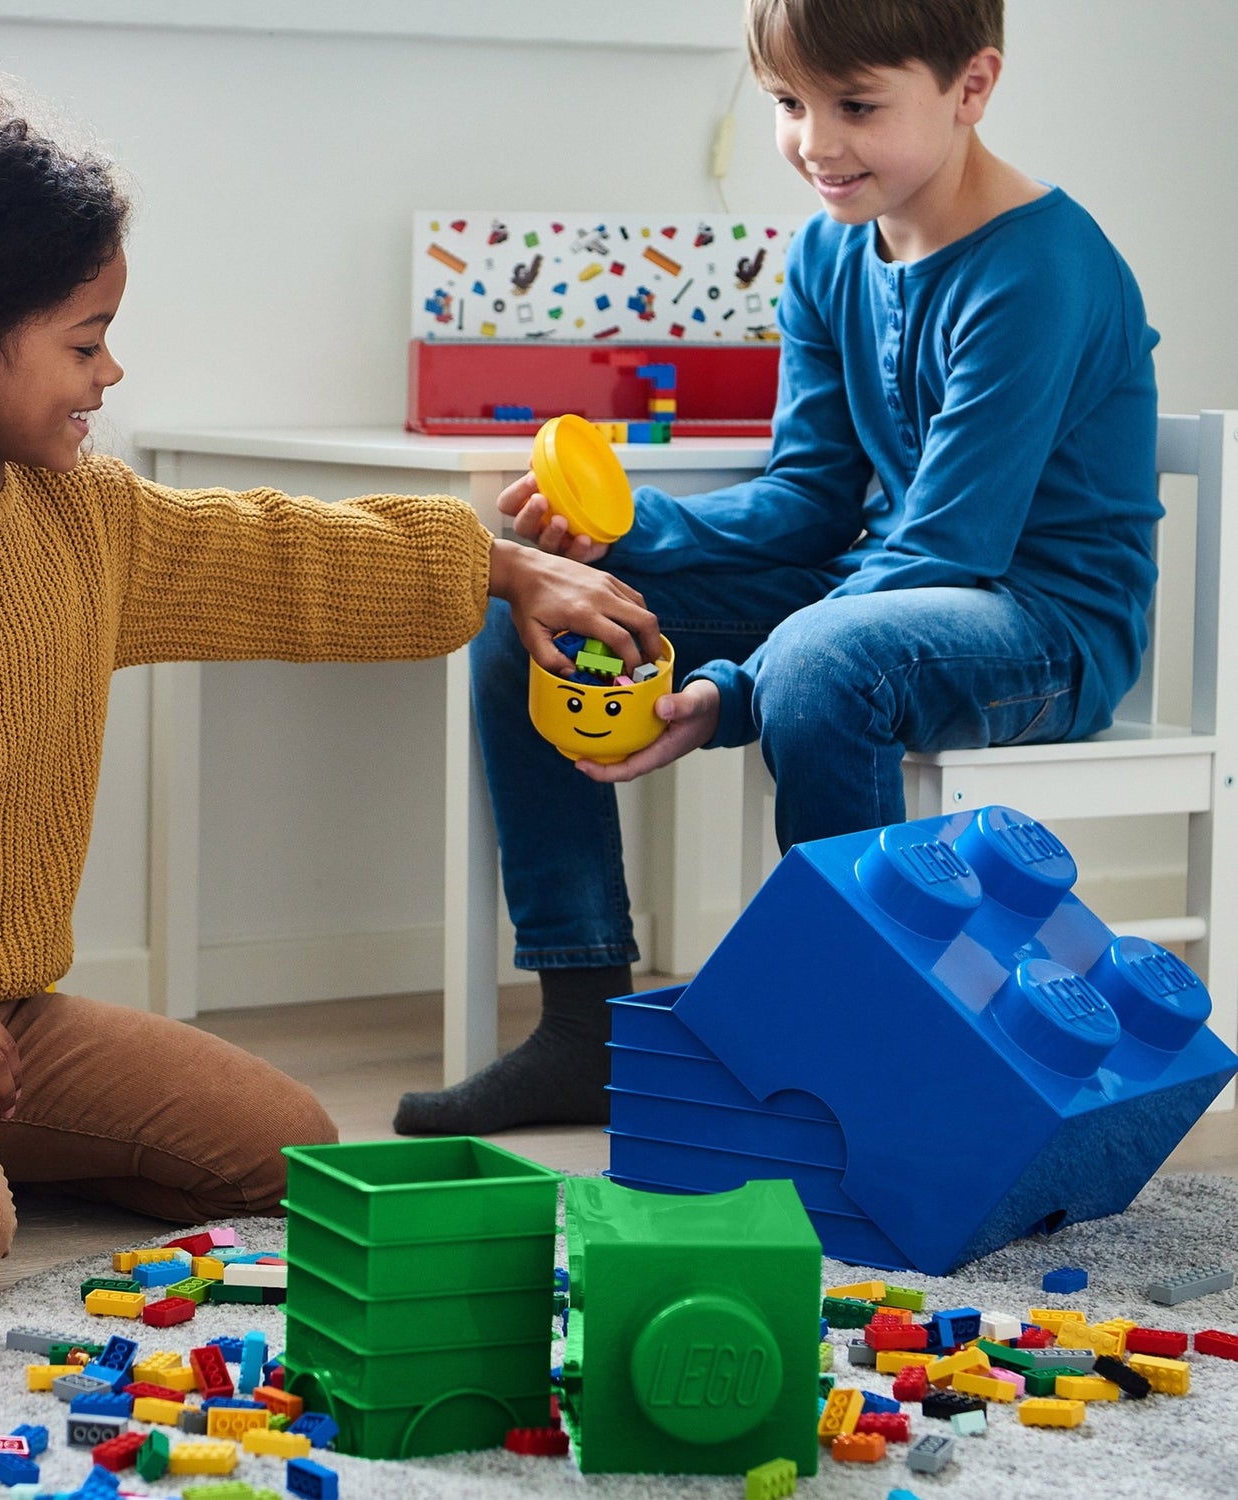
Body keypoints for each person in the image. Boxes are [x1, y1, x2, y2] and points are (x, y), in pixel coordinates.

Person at [0, 72, 660, 1311]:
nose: (111, 372)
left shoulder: (83, 520)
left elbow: (277, 556)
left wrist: (500, 568)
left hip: (3, 1020)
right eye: (83, 341)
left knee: (290, 1151)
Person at [394, 0, 1160, 1137]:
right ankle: (582, 1016)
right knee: (543, 617)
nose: (816, 141)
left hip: (1045, 624)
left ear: (971, 85)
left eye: (856, 106)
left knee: (818, 666)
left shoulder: (1037, 269)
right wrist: (623, 540)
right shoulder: (828, 251)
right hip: (888, 588)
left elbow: (951, 542)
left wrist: (737, 687)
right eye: (790, 105)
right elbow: (810, 498)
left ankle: (861, 1051)